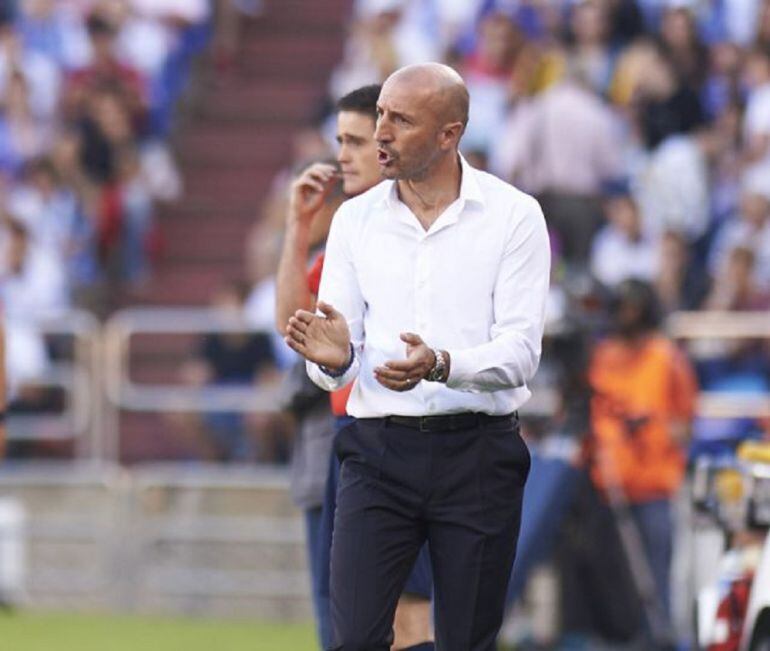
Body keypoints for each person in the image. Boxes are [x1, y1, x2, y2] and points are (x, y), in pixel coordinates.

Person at [285, 63, 550, 650]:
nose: (381, 132)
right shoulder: (354, 220)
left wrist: (441, 364)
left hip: (478, 453)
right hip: (378, 453)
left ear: (448, 134)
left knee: (466, 640)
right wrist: (330, 359)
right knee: (353, 638)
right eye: (380, 114)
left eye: (400, 121)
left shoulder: (514, 216)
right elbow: (337, 351)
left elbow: (520, 353)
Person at [275, 85, 434, 650]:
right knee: (350, 615)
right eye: (339, 140)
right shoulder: (352, 227)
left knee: (408, 612)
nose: (341, 155)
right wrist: (298, 227)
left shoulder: (417, 225)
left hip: (402, 430)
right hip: (352, 430)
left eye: (355, 141)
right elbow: (297, 326)